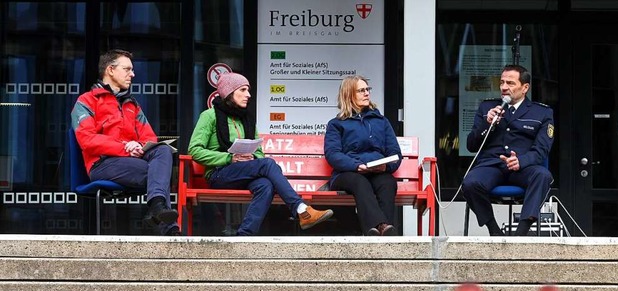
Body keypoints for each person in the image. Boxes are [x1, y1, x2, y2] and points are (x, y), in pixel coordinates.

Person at [188, 72, 333, 236]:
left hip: (243, 174)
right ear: (229, 92)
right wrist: (229, 158)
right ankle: (301, 209)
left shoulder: (247, 118)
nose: (248, 95)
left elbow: (258, 151)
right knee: (268, 164)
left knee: (266, 185)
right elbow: (194, 150)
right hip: (219, 174)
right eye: (242, 90)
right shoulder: (209, 116)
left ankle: (244, 235)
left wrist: (252, 157)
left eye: (248, 90)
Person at [71, 49, 180, 236]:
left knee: (163, 151)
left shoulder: (132, 104)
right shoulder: (86, 101)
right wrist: (125, 147)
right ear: (110, 70)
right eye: (127, 69)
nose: (133, 74)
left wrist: (138, 146)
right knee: (158, 173)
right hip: (102, 164)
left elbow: (150, 137)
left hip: (133, 162)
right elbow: (87, 140)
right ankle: (168, 228)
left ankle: (157, 208)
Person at [463, 64, 554, 236]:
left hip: (522, 168)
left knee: (543, 176)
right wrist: (487, 124)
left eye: (511, 83)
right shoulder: (486, 108)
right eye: (502, 82)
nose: (504, 87)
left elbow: (542, 149)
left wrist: (522, 161)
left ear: (525, 87)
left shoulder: (541, 112)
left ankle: (521, 232)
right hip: (491, 166)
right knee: (470, 182)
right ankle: (494, 230)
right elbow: (471, 146)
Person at [324, 75, 402, 236]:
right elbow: (333, 154)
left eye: (367, 89)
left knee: (388, 182)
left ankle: (378, 232)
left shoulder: (381, 121)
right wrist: (355, 165)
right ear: (349, 94)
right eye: (361, 90)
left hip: (376, 171)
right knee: (360, 182)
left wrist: (386, 166)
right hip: (347, 173)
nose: (366, 93)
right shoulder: (337, 124)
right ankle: (382, 227)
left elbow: (395, 152)